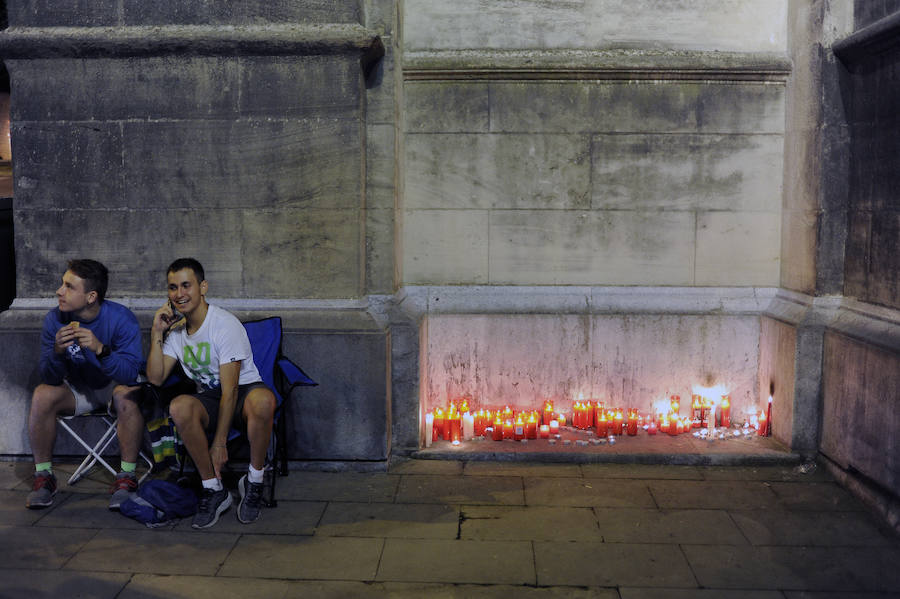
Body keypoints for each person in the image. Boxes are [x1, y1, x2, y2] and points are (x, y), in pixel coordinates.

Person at [146, 258, 276, 528]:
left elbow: (231, 390)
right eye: (173, 288)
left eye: (186, 285)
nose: (179, 294)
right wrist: (156, 332)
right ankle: (213, 488)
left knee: (264, 401)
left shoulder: (223, 324)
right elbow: (156, 377)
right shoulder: (177, 333)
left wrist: (219, 443)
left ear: (202, 287)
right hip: (211, 398)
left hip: (243, 393)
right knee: (179, 406)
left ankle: (254, 480)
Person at [27, 259, 144, 510]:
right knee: (41, 394)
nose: (59, 291)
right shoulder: (55, 319)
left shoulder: (121, 319)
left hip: (115, 388)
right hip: (78, 389)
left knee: (128, 395)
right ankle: (44, 476)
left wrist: (102, 350)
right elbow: (50, 378)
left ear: (91, 296)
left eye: (69, 286)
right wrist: (57, 352)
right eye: (62, 284)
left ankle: (126, 477)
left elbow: (131, 375)